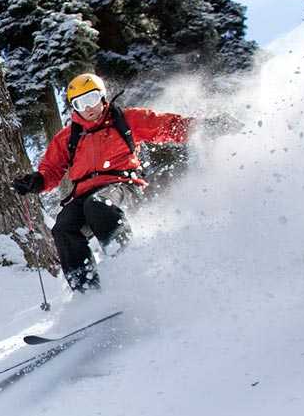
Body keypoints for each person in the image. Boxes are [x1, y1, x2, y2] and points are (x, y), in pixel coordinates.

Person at [13, 72, 193, 292]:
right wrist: (37, 181)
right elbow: (51, 169)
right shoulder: (68, 137)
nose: (88, 108)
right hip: (83, 195)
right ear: (73, 107)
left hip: (122, 185)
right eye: (80, 103)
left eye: (92, 99)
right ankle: (86, 291)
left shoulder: (125, 120)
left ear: (102, 96)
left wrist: (201, 127)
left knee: (98, 205)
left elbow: (165, 126)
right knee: (63, 227)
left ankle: (128, 265)